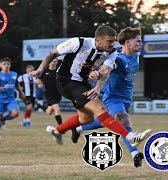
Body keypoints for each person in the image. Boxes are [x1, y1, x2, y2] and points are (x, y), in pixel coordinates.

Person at [30, 26, 151, 147]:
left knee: (86, 119)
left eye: (114, 40)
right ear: (98, 41)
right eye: (109, 41)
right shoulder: (78, 42)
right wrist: (40, 70)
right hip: (66, 81)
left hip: (83, 83)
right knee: (100, 109)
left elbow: (105, 71)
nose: (113, 44)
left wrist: (98, 87)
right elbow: (52, 54)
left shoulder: (112, 52)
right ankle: (130, 137)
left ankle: (57, 131)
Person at [71, 27, 144, 167]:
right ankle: (135, 153)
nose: (141, 43)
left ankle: (79, 128)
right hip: (112, 97)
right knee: (123, 120)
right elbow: (106, 69)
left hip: (126, 98)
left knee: (105, 120)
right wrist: (97, 74)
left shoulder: (135, 55)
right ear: (128, 42)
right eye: (138, 41)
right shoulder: (119, 59)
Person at [0, 57, 25, 138]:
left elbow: (16, 85)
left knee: (16, 113)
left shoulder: (14, 74)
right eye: (4, 64)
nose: (6, 65)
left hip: (10, 99)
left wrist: (21, 92)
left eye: (8, 64)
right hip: (0, 99)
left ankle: (3, 120)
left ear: (10, 65)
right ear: (0, 65)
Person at [36, 58, 63, 125]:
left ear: (56, 62)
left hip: (58, 94)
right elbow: (37, 77)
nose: (53, 62)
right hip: (49, 94)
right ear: (49, 62)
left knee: (49, 111)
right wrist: (39, 83)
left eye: (55, 61)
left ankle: (40, 106)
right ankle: (61, 128)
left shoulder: (59, 71)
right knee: (57, 109)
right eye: (52, 61)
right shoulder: (44, 71)